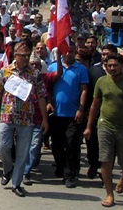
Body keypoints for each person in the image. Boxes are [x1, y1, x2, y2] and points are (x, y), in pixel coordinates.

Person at [0, 39, 49, 197]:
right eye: (22, 55)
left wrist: (44, 119)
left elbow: (42, 96)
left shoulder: (34, 74)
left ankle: (17, 183)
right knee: (2, 146)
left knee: (23, 152)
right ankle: (7, 168)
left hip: (27, 119)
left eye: (27, 55)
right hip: (6, 116)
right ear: (15, 55)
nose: (25, 58)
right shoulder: (5, 71)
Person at [83, 54, 123, 208]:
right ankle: (109, 194)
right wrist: (89, 127)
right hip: (105, 126)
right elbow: (95, 105)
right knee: (106, 161)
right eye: (109, 66)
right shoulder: (102, 82)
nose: (112, 68)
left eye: (115, 65)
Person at [47, 45, 89, 188]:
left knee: (71, 144)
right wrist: (49, 102)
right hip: (56, 114)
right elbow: (47, 88)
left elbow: (84, 90)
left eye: (71, 52)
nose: (68, 54)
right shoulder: (53, 67)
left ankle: (69, 174)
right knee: (57, 144)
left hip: (73, 114)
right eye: (65, 52)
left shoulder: (81, 69)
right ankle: (60, 166)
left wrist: (81, 109)